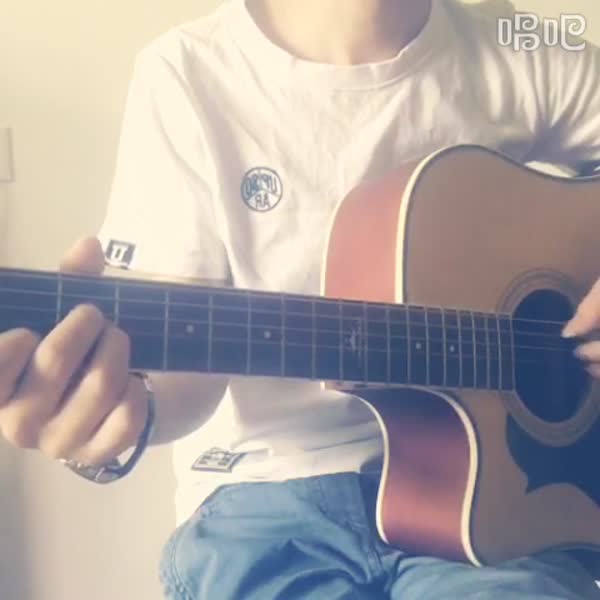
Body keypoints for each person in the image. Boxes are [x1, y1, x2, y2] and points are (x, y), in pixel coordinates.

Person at [2, 0, 600, 598]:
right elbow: (186, 378)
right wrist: (122, 408)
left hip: (494, 503)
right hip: (265, 501)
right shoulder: (187, 71)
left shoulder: (524, 50)